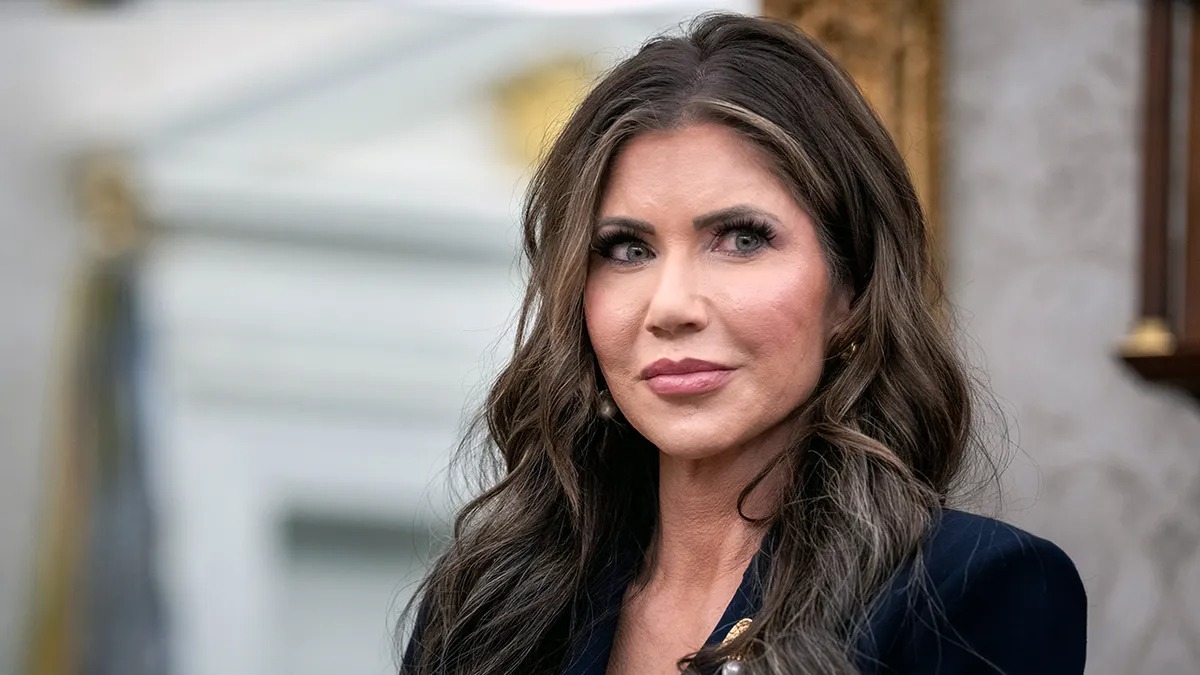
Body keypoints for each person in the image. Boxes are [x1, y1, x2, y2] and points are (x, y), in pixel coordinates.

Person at [398, 12, 1086, 675]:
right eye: (628, 249)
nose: (671, 307)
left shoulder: (970, 589)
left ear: (852, 290)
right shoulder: (488, 607)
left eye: (741, 239)